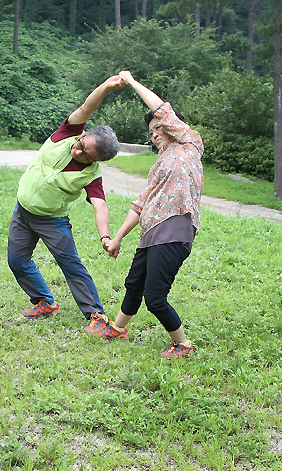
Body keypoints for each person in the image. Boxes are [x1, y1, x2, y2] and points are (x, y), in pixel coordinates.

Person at [86, 71, 203, 360]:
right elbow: (141, 203)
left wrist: (132, 81)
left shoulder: (189, 145)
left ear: (172, 127)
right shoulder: (159, 164)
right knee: (134, 284)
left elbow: (160, 110)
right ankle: (117, 328)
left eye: (158, 128)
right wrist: (117, 238)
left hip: (174, 229)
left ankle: (183, 345)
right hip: (150, 233)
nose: (154, 134)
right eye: (151, 132)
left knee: (155, 297)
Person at [8, 75, 124, 335]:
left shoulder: (91, 175)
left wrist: (105, 236)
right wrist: (105, 86)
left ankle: (96, 316)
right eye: (81, 145)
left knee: (71, 265)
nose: (78, 151)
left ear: (96, 161)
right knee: (17, 261)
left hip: (51, 220)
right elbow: (87, 108)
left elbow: (100, 205)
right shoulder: (67, 134)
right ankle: (45, 302)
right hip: (23, 211)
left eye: (86, 154)